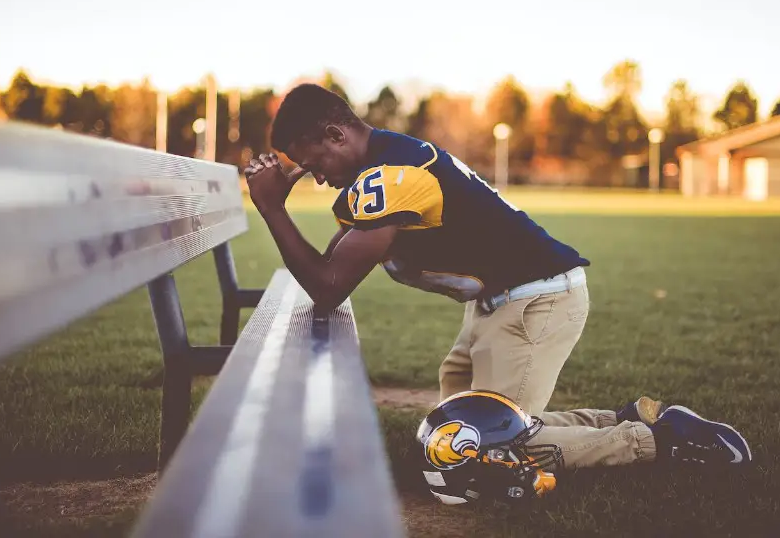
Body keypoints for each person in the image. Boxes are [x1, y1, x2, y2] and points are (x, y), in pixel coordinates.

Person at [243, 83, 752, 477]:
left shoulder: (390, 175)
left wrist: (270, 209)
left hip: (535, 302)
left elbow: (329, 286)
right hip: (500, 303)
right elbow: (330, 268)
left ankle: (663, 442)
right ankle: (627, 418)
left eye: (315, 163)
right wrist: (276, 207)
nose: (318, 177)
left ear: (336, 135)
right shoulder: (381, 166)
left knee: (491, 446)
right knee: (457, 433)